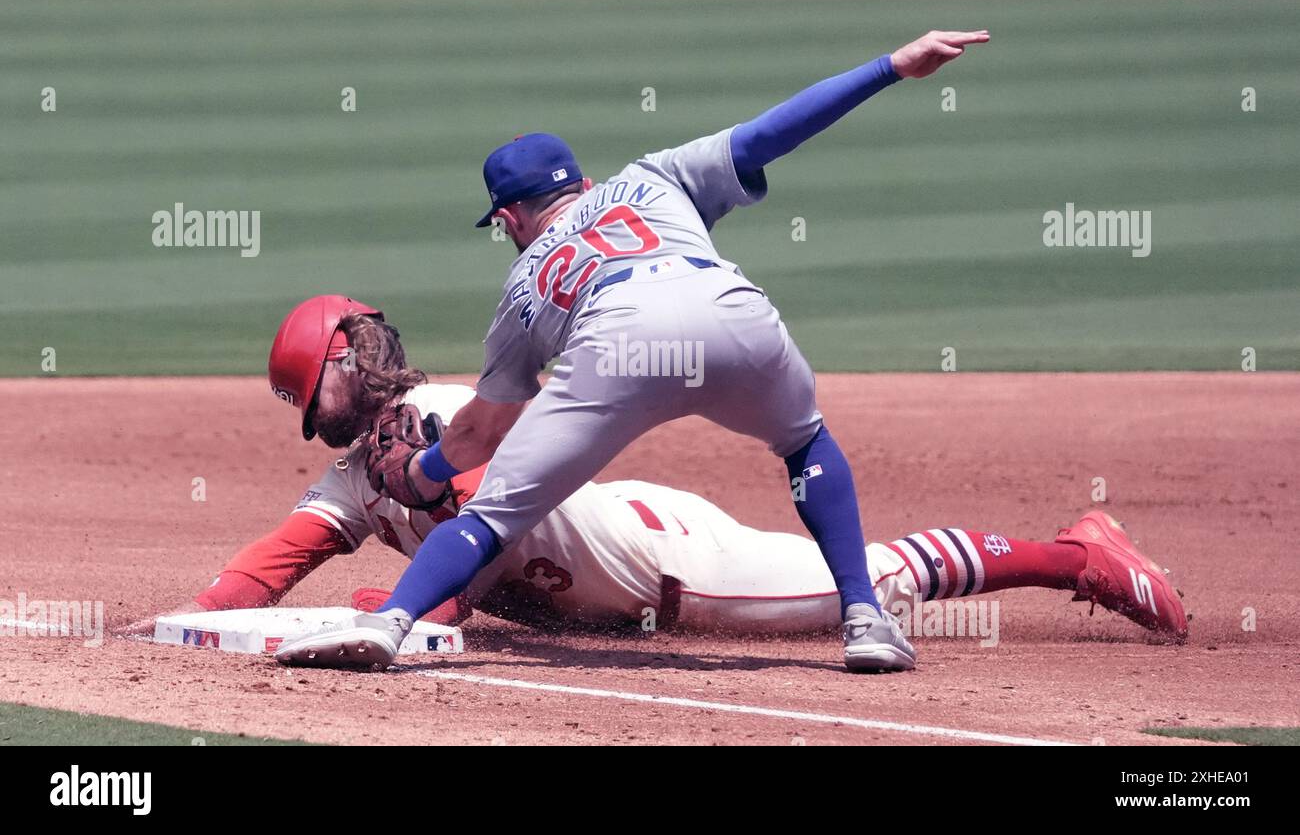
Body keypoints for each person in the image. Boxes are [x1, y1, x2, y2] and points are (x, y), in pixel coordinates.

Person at [279, 30, 999, 673]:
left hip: (617, 349)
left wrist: (423, 470)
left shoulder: (524, 282)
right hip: (730, 315)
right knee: (804, 439)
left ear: (508, 217)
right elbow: (771, 133)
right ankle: (865, 619)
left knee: (490, 517)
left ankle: (390, 622)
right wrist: (890, 67)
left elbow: (485, 431)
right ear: (585, 186)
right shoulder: (653, 175)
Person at [155, 297, 1184, 656]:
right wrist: (179, 623)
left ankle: (1075, 554)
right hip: (619, 572)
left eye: (351, 351)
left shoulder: (449, 418)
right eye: (343, 359)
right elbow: (264, 569)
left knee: (870, 580)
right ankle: (1068, 552)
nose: (358, 363)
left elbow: (484, 530)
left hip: (666, 562)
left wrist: (415, 606)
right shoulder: (348, 480)